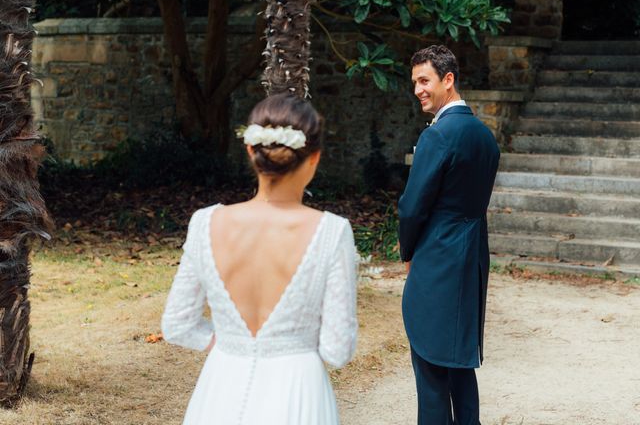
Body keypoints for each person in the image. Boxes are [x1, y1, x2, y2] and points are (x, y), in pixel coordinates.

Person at [161, 93, 358, 425]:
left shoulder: (206, 223)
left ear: (251, 150)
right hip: (298, 391)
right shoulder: (331, 232)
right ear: (314, 159)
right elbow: (337, 350)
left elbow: (177, 325)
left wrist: (229, 342)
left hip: (222, 386)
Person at [398, 45, 500, 424]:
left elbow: (412, 206)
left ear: (448, 80)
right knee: (459, 364)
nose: (418, 89)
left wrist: (408, 251)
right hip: (472, 255)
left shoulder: (438, 136)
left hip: (437, 258)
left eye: (425, 80)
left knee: (430, 368)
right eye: (415, 82)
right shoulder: (484, 136)